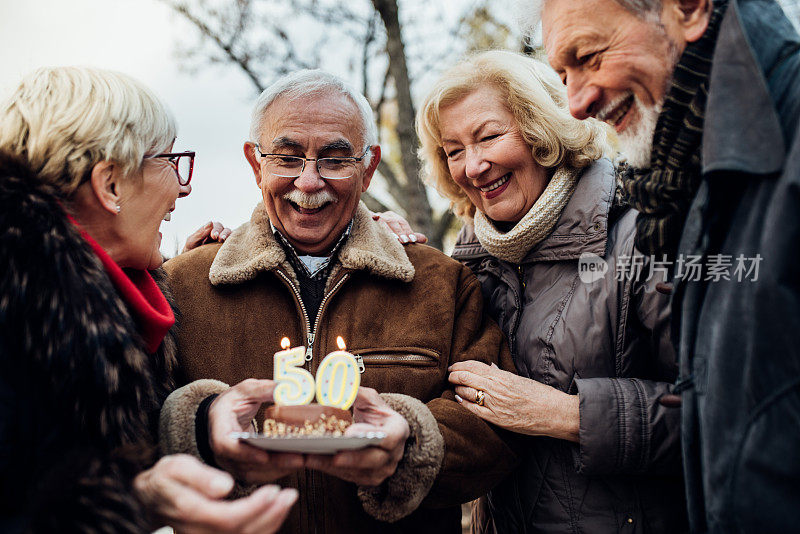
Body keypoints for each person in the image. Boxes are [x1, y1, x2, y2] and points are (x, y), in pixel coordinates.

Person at [158, 69, 519, 533]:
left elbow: (495, 429)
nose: (309, 183)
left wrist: (409, 443)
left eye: (334, 159)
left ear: (368, 168)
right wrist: (202, 428)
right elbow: (133, 431)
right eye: (287, 158)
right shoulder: (185, 284)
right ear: (255, 164)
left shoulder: (440, 283)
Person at [528, 0, 800, 530]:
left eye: (588, 56)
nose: (575, 104)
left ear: (689, 9)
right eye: (562, 74)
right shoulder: (690, 184)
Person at [0, 66, 296, 533]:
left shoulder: (119, 301)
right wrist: (132, 505)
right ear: (110, 185)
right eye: (171, 161)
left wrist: (204, 426)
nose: (185, 186)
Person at [413, 50, 684, 533]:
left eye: (490, 136)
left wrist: (566, 414)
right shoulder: (470, 258)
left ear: (542, 132)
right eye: (453, 151)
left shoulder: (644, 233)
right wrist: (377, 240)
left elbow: (717, 416)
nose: (473, 167)